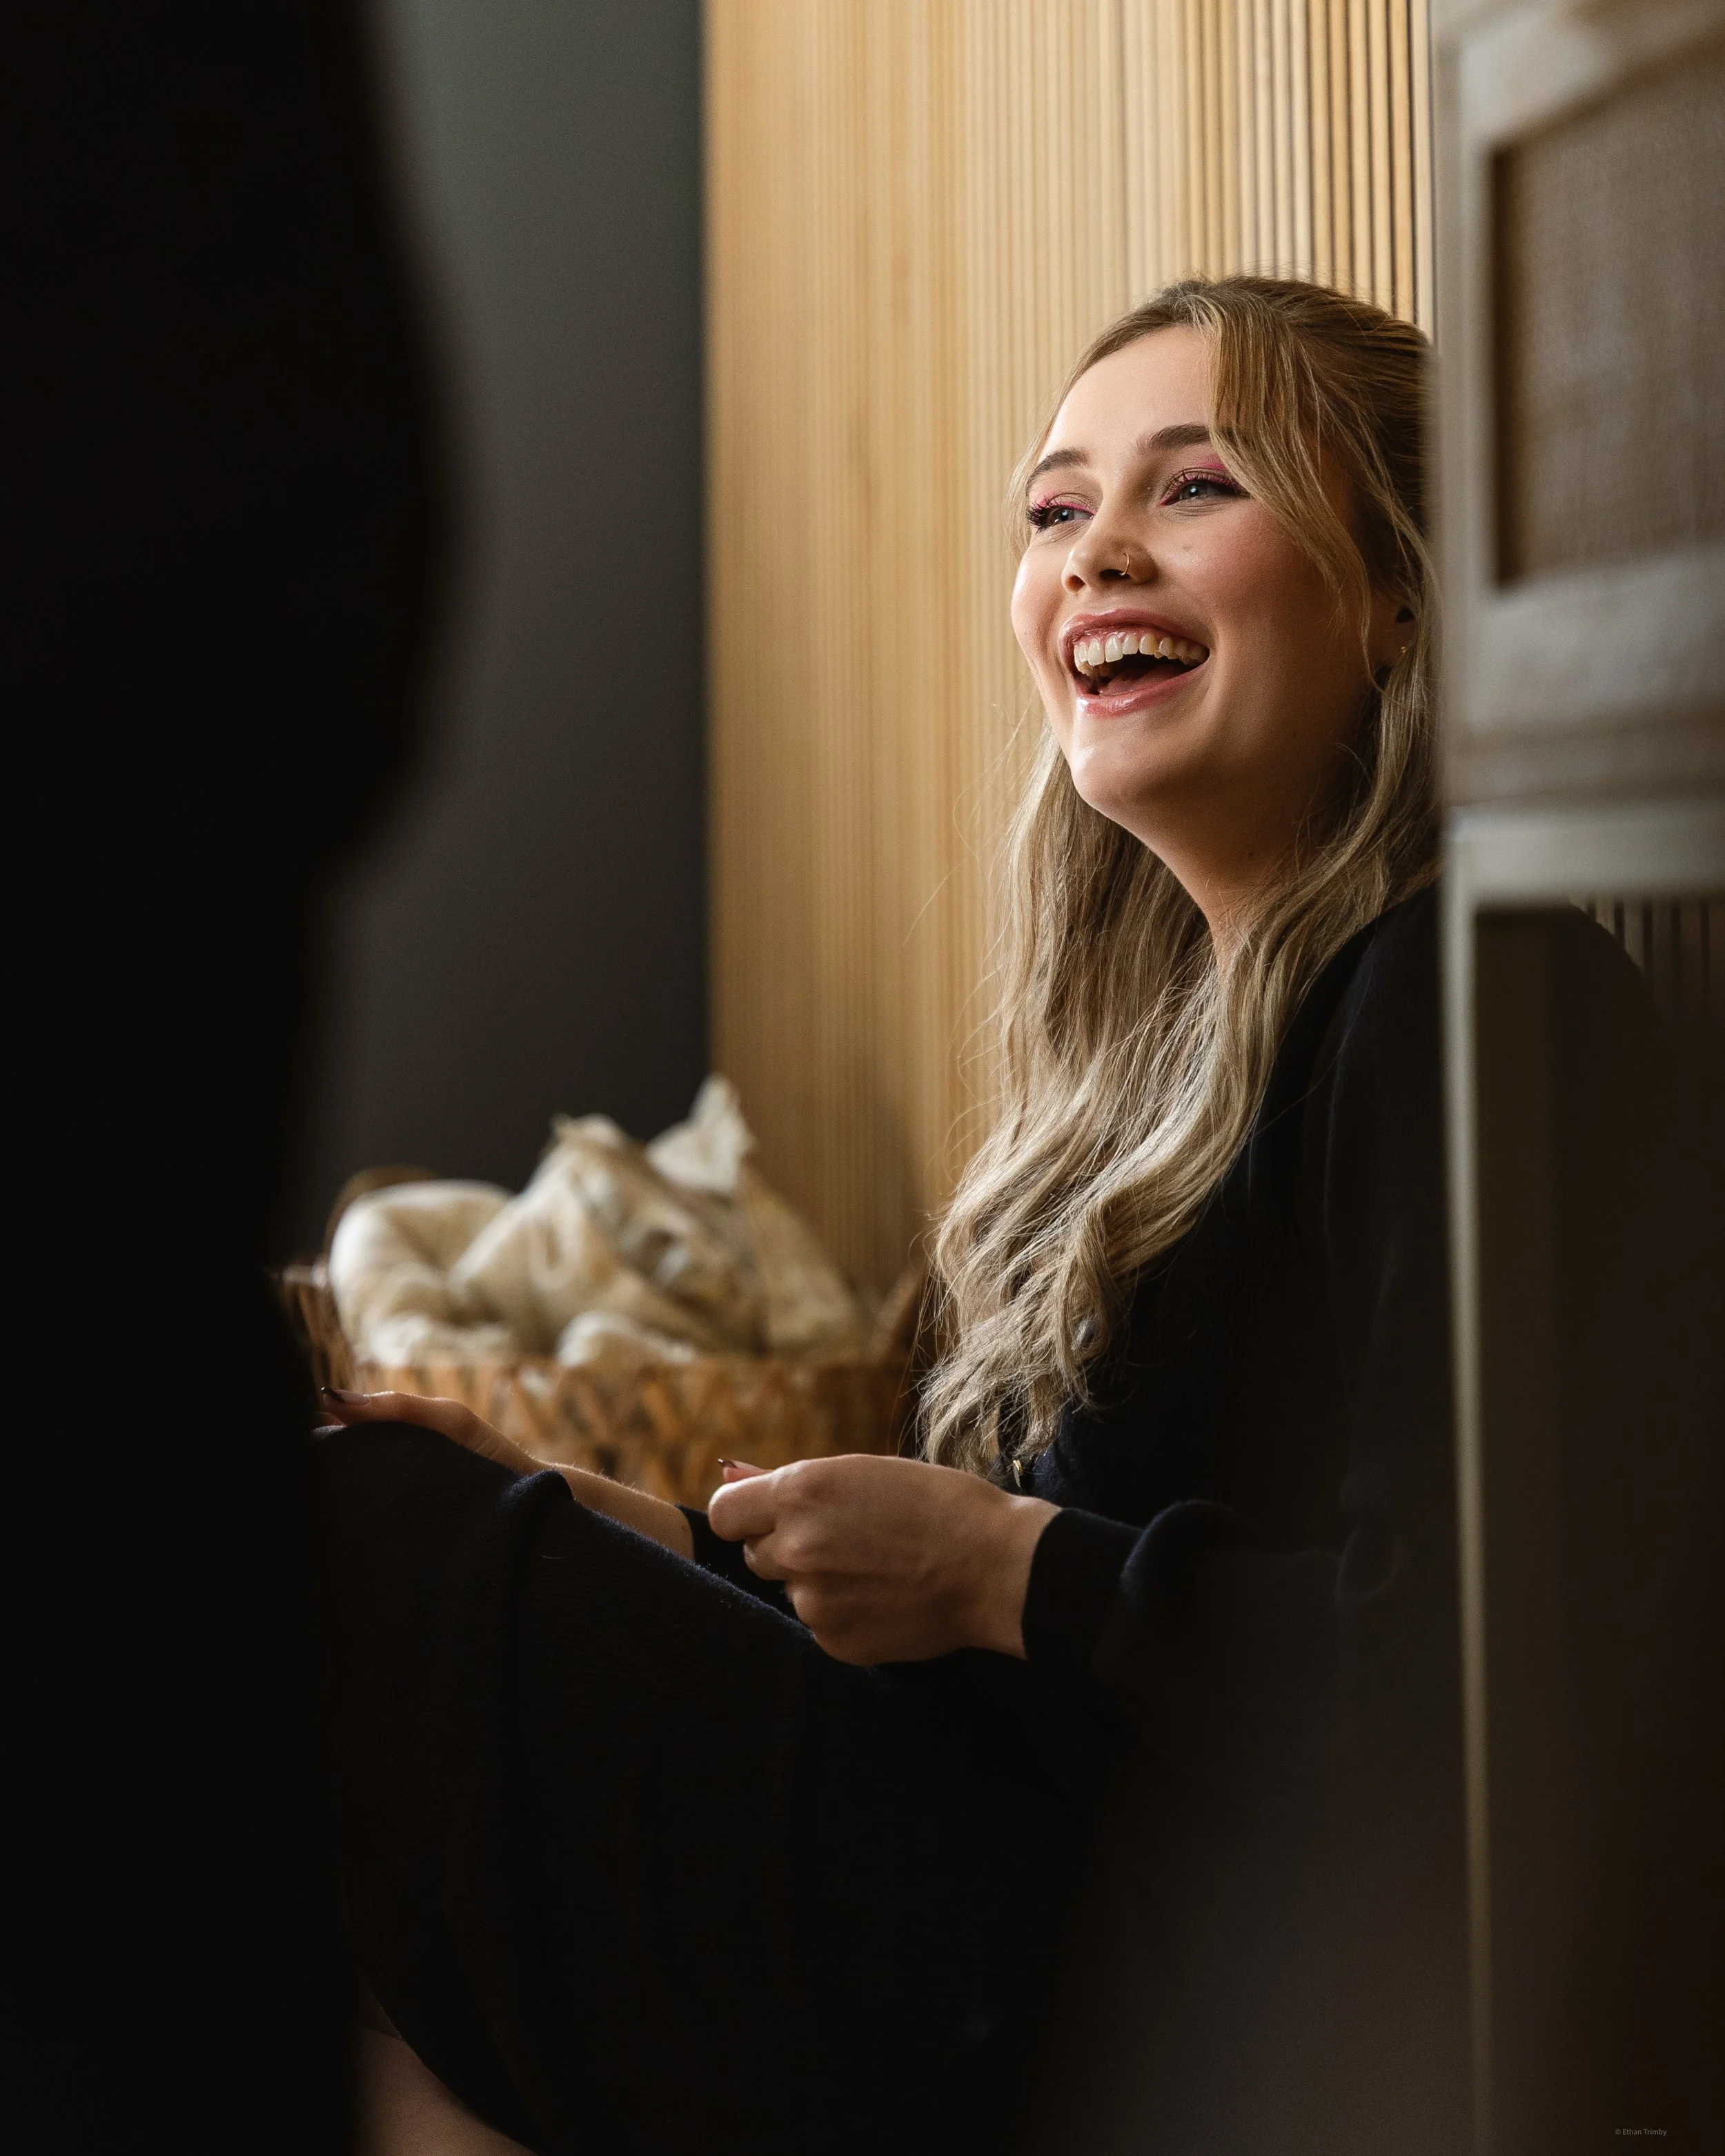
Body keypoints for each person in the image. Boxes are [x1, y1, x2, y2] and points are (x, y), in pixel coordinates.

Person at [315, 275, 1552, 2154]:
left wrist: (1002, 1568)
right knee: (343, 1529)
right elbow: (995, 1613)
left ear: (1393, 594)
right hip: (1018, 1914)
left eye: (1194, 486)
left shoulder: (1460, 999)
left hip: (1157, 2002)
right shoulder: (1155, 1075)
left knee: (340, 1551)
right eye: (1053, 510)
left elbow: (1481, 1672)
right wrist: (616, 1522)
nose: (1097, 551)